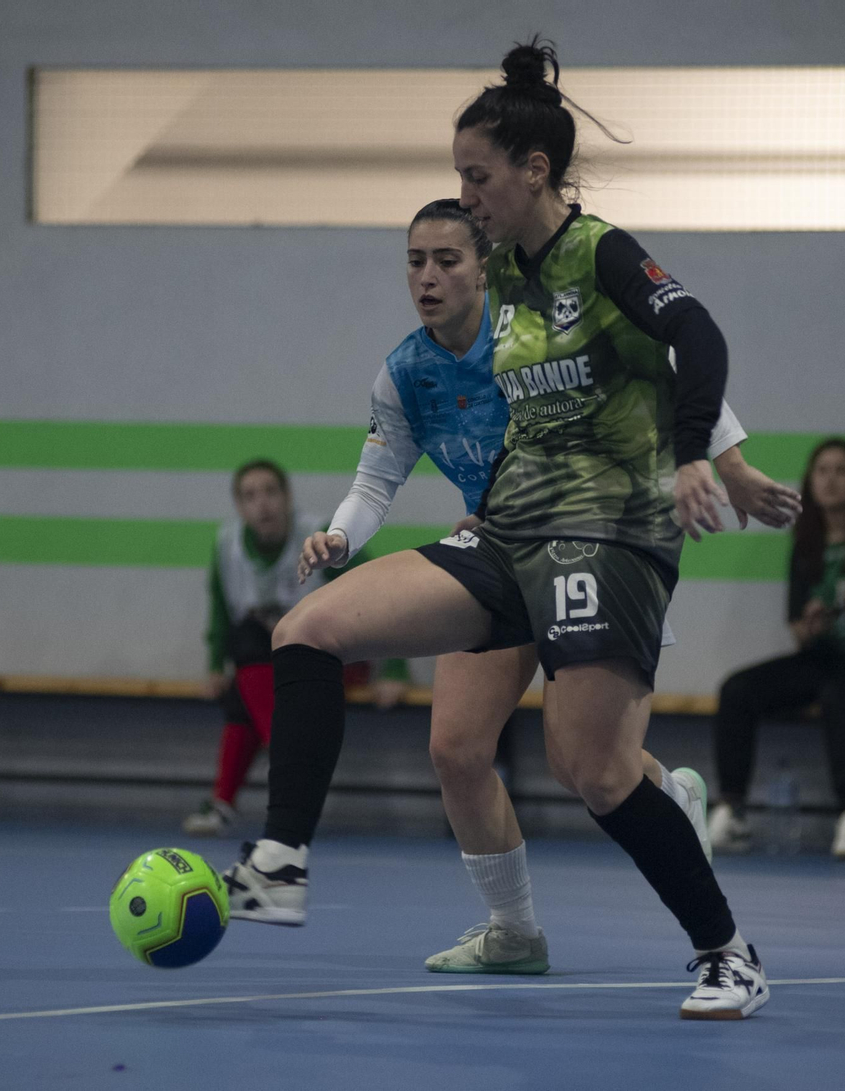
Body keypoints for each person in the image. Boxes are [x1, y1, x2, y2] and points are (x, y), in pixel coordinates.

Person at [223, 39, 778, 1018]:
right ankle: (279, 860)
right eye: (457, 180)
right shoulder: (500, 279)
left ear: (531, 171)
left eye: (475, 178)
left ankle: (727, 951)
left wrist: (706, 454)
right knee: (305, 629)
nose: (464, 196)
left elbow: (691, 336)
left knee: (593, 769)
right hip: (508, 527)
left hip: (606, 533)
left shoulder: (596, 252)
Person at [299, 197, 798, 974]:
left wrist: (725, 460)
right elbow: (377, 475)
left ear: (482, 268)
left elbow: (663, 356)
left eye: (447, 260)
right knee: (457, 748)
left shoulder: (539, 313)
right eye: (414, 261)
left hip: (593, 541)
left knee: (584, 766)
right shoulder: (407, 372)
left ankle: (679, 823)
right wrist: (340, 533)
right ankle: (514, 931)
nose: (428, 277)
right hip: (499, 550)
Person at [707, 439, 845, 858]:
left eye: (841, 470)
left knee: (839, 693)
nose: (830, 480)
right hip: (829, 653)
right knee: (737, 690)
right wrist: (811, 624)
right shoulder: (806, 541)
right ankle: (731, 808)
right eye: (821, 471)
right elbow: (797, 629)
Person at [183, 459, 407, 836]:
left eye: (271, 492)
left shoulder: (319, 537)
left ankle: (264, 772)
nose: (263, 503)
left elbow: (381, 594)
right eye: (250, 496)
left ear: (287, 498)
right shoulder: (227, 547)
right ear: (239, 507)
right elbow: (221, 610)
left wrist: (396, 669)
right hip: (272, 673)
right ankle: (267, 769)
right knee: (248, 651)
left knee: (253, 653)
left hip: (338, 659)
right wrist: (213, 665)